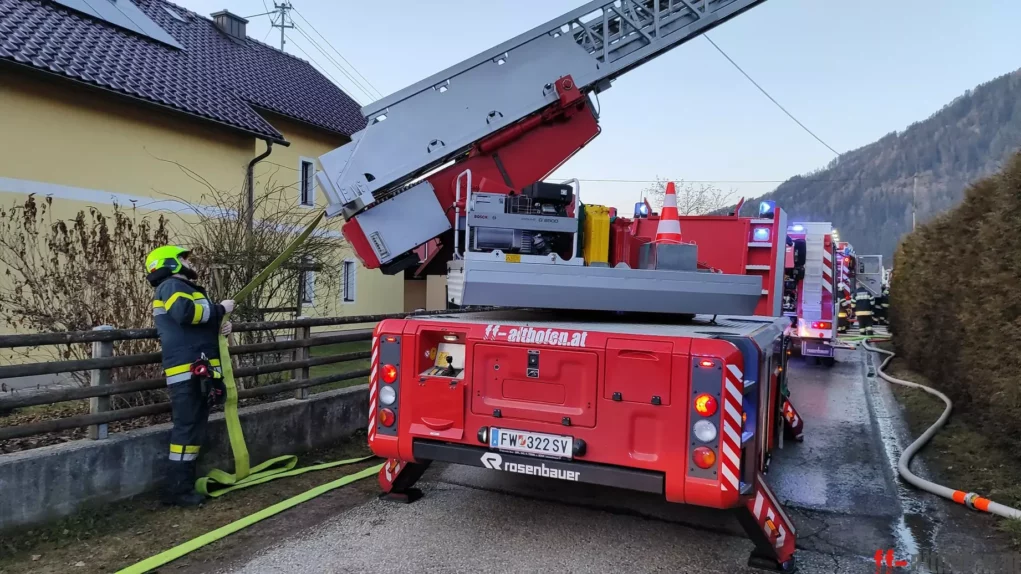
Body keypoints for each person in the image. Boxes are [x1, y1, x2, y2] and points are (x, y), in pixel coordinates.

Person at [145, 245, 234, 507]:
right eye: (183, 257)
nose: (188, 261)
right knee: (186, 430)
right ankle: (177, 490)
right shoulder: (171, 286)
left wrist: (220, 327)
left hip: (197, 371)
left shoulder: (181, 288)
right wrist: (219, 309)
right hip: (187, 373)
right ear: (170, 262)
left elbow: (194, 325)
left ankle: (183, 486)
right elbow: (185, 314)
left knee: (193, 428)